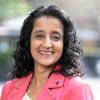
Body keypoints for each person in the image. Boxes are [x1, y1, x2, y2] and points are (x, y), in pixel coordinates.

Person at [0, 5, 94, 100]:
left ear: (64, 44)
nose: (47, 44)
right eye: (39, 36)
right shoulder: (9, 88)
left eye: (55, 37)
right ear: (28, 41)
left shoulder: (77, 88)